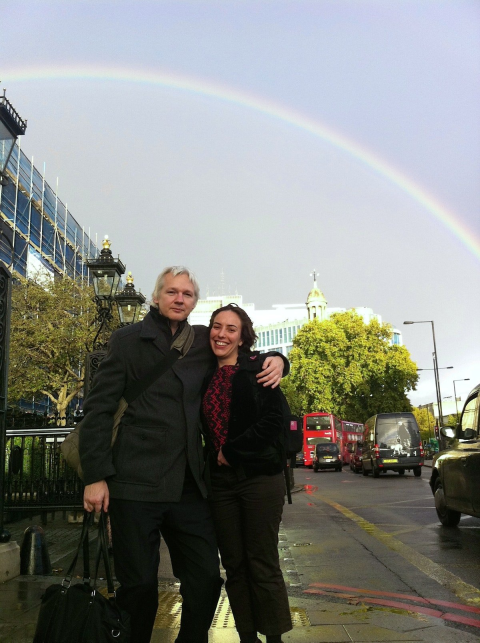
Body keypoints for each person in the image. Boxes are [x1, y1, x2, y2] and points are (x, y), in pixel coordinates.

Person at [79, 267, 287, 643]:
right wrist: (95, 476)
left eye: (187, 294)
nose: (179, 299)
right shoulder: (127, 340)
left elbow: (241, 349)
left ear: (194, 302)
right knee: (139, 585)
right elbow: (98, 410)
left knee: (207, 578)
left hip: (188, 483)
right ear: (156, 297)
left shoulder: (204, 340)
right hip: (134, 481)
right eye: (172, 292)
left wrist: (278, 360)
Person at [202, 304, 293, 643]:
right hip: (221, 484)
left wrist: (231, 450)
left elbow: (274, 422)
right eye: (217, 327)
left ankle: (273, 637)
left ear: (242, 337)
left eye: (231, 329)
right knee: (235, 567)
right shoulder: (202, 372)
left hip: (259, 479)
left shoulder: (258, 369)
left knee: (262, 561)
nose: (222, 334)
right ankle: (246, 637)